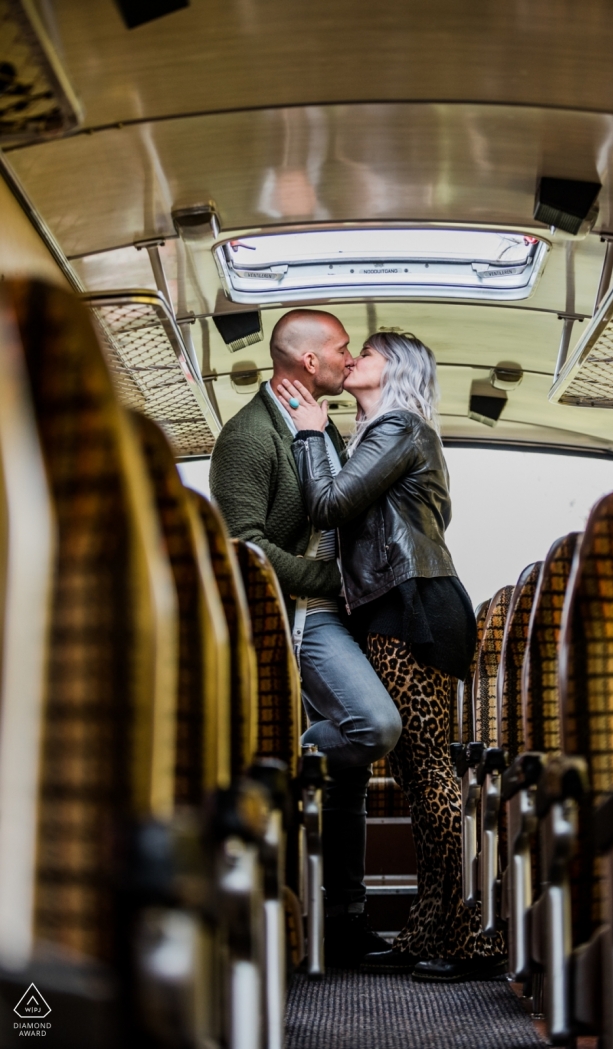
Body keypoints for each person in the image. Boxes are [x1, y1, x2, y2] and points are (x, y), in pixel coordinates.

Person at [277, 330, 507, 982]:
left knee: (429, 772)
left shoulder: (400, 426)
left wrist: (309, 432)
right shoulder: (386, 433)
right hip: (401, 607)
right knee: (414, 773)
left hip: (416, 610)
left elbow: (328, 503)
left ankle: (469, 933)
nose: (355, 361)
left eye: (368, 355)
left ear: (395, 371)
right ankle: (430, 922)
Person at [209, 309, 402, 967]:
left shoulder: (321, 425)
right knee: (373, 727)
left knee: (347, 769)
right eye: (343, 350)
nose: (351, 359)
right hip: (299, 617)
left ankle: (344, 918)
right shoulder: (247, 438)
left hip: (338, 614)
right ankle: (284, 746)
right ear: (309, 362)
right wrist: (334, 577)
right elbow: (247, 549)